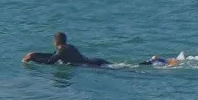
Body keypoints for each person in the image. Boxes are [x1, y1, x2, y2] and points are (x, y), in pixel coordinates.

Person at [24, 32, 177, 67]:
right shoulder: (67, 47)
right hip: (96, 60)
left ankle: (153, 61)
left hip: (93, 65)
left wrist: (32, 59)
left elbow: (50, 61)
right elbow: (52, 56)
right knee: (125, 67)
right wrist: (35, 54)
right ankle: (154, 61)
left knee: (129, 70)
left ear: (55, 41)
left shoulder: (62, 51)